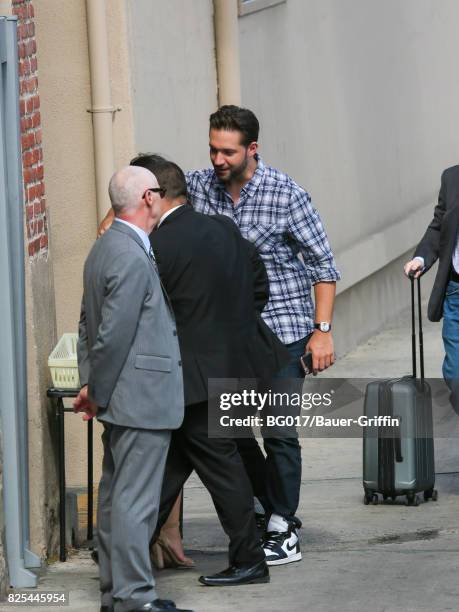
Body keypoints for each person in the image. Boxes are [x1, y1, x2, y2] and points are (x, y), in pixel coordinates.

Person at [99, 105, 340, 566]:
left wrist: (321, 332)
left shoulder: (286, 194)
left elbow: (323, 266)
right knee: (228, 432)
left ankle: (282, 524)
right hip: (225, 338)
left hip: (283, 329)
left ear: (252, 149)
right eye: (212, 149)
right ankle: (257, 511)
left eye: (227, 151)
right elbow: (133, 211)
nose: (217, 160)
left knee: (279, 431)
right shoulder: (196, 185)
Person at [129, 153, 289, 587]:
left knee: (222, 468)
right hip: (241, 366)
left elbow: (149, 317)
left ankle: (249, 559)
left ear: (154, 197)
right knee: (173, 466)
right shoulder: (222, 228)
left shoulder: (155, 247)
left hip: (197, 381)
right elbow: (258, 284)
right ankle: (128, 551)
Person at [74, 166, 192, 612]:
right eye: (158, 193)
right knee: (134, 503)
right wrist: (96, 389)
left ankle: (116, 592)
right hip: (138, 397)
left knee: (116, 498)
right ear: (147, 197)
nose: (161, 199)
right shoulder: (126, 252)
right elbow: (112, 334)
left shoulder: (105, 248)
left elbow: (88, 325)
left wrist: (93, 383)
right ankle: (134, 597)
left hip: (124, 396)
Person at [404, 165, 459, 409]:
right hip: (456, 292)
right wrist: (421, 258)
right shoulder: (452, 177)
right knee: (456, 372)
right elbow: (439, 225)